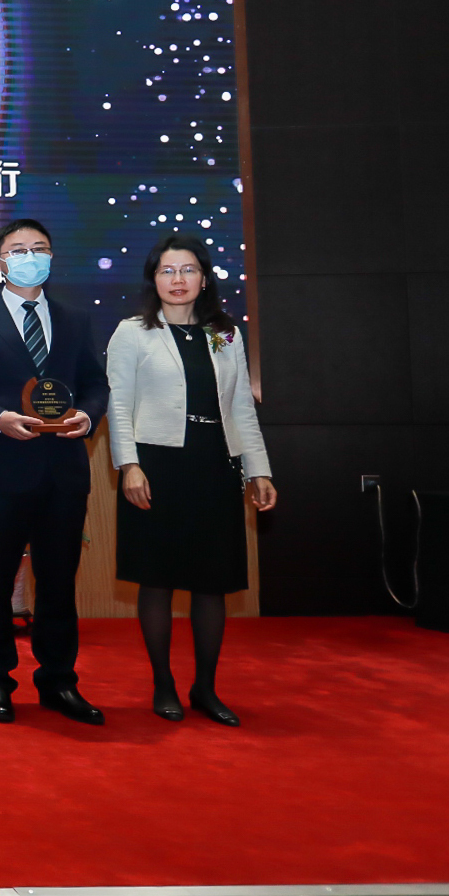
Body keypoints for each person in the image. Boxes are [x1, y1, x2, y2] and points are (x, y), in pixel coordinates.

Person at [0, 218, 110, 725]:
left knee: (59, 582)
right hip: (1, 469)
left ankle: (59, 681)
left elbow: (95, 385)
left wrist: (87, 416)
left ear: (51, 257)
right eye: (18, 249)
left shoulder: (75, 319)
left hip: (63, 471)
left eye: (39, 248)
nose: (29, 256)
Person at [108, 233, 275, 726]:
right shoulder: (133, 332)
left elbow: (241, 406)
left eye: (187, 270)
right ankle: (163, 684)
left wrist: (259, 469)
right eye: (167, 270)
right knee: (157, 579)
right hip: (155, 465)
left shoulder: (225, 333)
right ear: (153, 279)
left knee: (211, 582)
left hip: (214, 462)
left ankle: (205, 687)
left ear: (204, 279)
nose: (177, 279)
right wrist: (128, 465)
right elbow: (118, 404)